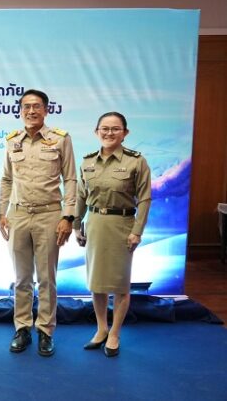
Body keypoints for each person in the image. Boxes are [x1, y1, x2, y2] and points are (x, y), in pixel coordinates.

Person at [0, 89, 76, 357]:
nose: (31, 111)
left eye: (37, 106)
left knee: (46, 279)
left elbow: (71, 179)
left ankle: (45, 330)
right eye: (26, 106)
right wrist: (1, 212)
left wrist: (68, 216)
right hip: (18, 215)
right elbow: (6, 179)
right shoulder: (12, 141)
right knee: (21, 278)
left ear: (46, 110)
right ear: (21, 110)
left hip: (49, 216)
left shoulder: (60, 139)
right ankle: (22, 328)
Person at [74, 111, 151, 357]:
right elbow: (80, 196)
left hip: (122, 226)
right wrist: (76, 225)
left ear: (125, 133)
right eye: (104, 128)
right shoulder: (87, 162)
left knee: (119, 284)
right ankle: (101, 329)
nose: (109, 133)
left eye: (115, 129)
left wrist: (137, 231)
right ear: (96, 132)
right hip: (95, 224)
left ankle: (115, 333)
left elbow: (145, 198)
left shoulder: (136, 161)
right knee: (97, 283)